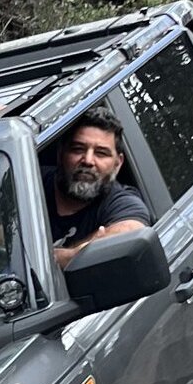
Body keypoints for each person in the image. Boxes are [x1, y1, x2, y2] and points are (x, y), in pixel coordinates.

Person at [44, 111, 151, 267]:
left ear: (118, 163)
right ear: (61, 154)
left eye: (101, 153)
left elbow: (132, 231)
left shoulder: (122, 202)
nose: (88, 160)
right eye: (78, 149)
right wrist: (84, 251)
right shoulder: (27, 181)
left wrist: (65, 257)